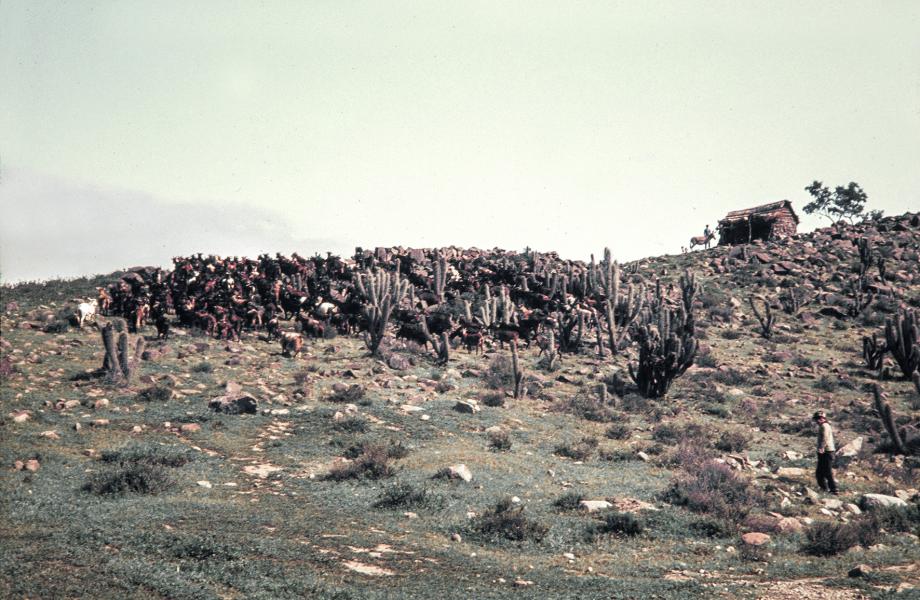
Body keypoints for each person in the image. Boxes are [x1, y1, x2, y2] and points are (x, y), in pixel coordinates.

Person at [813, 411, 839, 494]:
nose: (817, 420)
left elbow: (825, 438)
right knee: (820, 472)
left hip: (827, 451)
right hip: (826, 451)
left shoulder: (824, 426)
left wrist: (821, 447)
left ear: (823, 418)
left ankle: (834, 489)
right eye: (817, 419)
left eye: (819, 418)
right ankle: (824, 489)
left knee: (827, 472)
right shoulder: (823, 426)